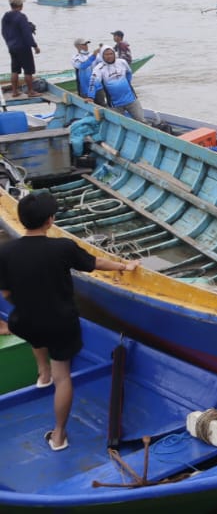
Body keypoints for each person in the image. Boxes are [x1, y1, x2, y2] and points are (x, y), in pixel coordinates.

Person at [0, 190, 137, 452]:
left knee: (33, 331)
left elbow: (6, 293)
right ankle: (59, 435)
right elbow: (94, 263)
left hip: (24, 321)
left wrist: (26, 305)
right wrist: (124, 266)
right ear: (50, 220)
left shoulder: (6, 251)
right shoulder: (62, 248)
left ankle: (42, 373)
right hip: (61, 324)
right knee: (64, 377)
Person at [88, 47, 145, 121]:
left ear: (114, 54)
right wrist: (90, 96)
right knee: (115, 124)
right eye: (106, 54)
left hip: (131, 100)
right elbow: (93, 82)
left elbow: (129, 73)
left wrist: (125, 84)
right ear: (102, 56)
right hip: (114, 104)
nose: (109, 56)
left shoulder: (122, 62)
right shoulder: (99, 68)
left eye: (111, 54)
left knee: (141, 120)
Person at [2, 0, 40, 97]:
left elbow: (3, 32)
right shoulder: (21, 17)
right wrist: (35, 46)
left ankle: (14, 91)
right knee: (28, 70)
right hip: (23, 47)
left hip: (12, 47)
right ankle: (31, 91)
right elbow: (27, 34)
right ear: (20, 5)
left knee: (15, 70)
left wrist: (9, 43)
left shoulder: (5, 16)